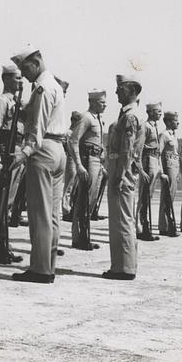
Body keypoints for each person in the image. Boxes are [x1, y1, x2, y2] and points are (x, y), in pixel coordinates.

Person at [9, 45, 67, 284]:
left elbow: (37, 130)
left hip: (43, 152)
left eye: (24, 68)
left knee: (39, 214)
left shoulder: (42, 88)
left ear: (36, 62)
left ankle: (40, 269)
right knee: (52, 215)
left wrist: (23, 153)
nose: (23, 74)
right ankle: (47, 265)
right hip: (58, 150)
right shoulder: (54, 86)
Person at [102, 74, 144, 281]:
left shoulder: (129, 117)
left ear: (131, 91)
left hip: (122, 173)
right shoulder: (128, 115)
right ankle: (121, 265)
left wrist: (119, 176)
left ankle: (125, 268)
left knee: (123, 220)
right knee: (120, 219)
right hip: (123, 171)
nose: (116, 92)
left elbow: (127, 151)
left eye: (120, 89)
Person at [0, 63, 25, 264]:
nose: (21, 81)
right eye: (17, 78)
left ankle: (4, 243)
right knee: (0, 202)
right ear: (6, 79)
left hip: (16, 150)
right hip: (5, 151)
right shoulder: (2, 101)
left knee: (8, 202)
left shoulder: (17, 102)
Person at [68, 90, 107, 251]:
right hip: (88, 160)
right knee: (83, 199)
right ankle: (78, 238)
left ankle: (85, 236)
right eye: (102, 102)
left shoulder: (97, 119)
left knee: (91, 199)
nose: (105, 105)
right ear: (92, 102)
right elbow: (73, 141)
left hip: (96, 160)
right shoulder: (86, 118)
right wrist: (78, 164)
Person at [137, 101, 163, 241]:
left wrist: (159, 167)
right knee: (143, 196)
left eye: (160, 111)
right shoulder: (145, 126)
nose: (160, 113)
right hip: (147, 160)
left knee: (149, 195)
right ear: (150, 112)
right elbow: (139, 149)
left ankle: (144, 226)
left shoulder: (155, 127)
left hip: (154, 159)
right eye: (157, 111)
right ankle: (140, 227)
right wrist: (141, 170)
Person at [157, 111, 180, 237]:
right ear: (169, 122)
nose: (178, 123)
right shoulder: (164, 135)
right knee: (166, 197)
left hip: (174, 167)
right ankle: (164, 226)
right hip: (168, 168)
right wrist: (161, 171)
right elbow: (158, 153)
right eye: (175, 120)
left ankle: (167, 224)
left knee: (171, 197)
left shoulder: (174, 136)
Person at [61, 111, 82, 222]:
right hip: (71, 158)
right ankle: (66, 210)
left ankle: (69, 208)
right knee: (69, 185)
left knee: (74, 185)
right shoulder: (69, 133)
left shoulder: (76, 132)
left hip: (75, 158)